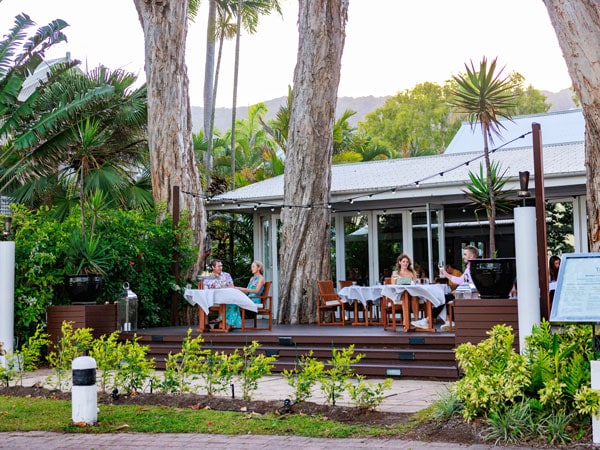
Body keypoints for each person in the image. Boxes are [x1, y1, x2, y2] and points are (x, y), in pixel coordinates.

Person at [204, 259, 240, 329]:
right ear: (213, 267)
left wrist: (225, 287)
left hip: (226, 298)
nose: (221, 268)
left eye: (221, 266)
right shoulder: (208, 277)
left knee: (234, 302)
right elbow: (205, 289)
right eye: (218, 266)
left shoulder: (226, 275)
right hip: (213, 299)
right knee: (232, 303)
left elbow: (232, 286)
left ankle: (226, 323)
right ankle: (223, 322)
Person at [391, 254, 423, 328]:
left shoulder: (412, 272)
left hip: (412, 293)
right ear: (399, 262)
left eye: (407, 262)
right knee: (405, 295)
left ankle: (416, 321)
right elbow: (393, 284)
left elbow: (415, 284)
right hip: (400, 293)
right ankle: (406, 321)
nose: (405, 263)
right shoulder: (395, 273)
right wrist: (399, 280)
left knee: (414, 297)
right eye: (403, 261)